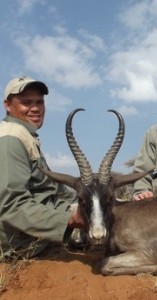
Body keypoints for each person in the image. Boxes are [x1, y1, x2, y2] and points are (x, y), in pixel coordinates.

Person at [0, 76, 85, 261]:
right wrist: (69, 221)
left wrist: (86, 201)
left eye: (39, 102)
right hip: (20, 244)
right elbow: (11, 205)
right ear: (7, 105)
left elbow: (51, 190)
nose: (36, 108)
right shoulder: (10, 139)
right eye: (26, 102)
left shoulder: (25, 135)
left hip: (39, 223)